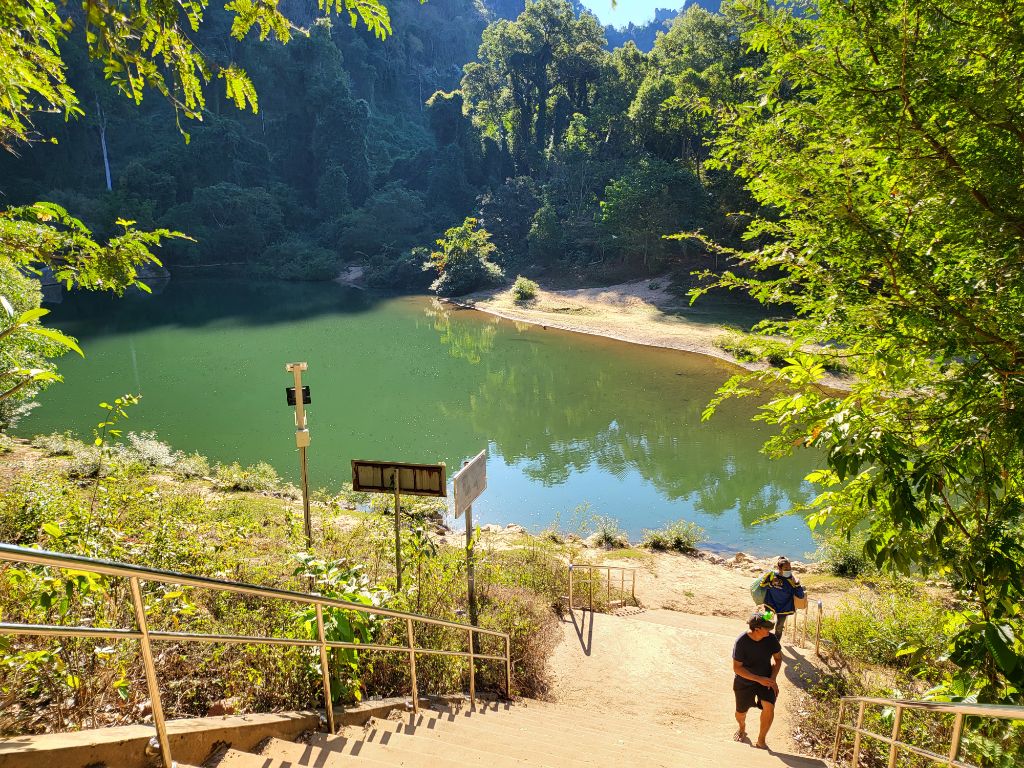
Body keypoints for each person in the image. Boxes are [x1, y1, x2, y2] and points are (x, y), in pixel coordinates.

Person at [732, 607, 783, 750]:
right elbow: (737, 668)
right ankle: (742, 727)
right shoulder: (741, 642)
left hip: (766, 679)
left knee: (769, 706)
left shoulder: (770, 639)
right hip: (744, 681)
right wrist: (758, 679)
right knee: (740, 713)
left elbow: (778, 659)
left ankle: (761, 740)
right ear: (757, 629)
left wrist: (772, 678)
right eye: (767, 628)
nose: (770, 631)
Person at [758, 556, 805, 640]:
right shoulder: (772, 575)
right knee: (765, 621)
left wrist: (797, 585)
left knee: (779, 627)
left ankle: (775, 644)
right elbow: (762, 586)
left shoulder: (792, 580)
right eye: (786, 568)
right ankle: (761, 639)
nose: (789, 570)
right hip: (770, 605)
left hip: (784, 608)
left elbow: (801, 596)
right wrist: (771, 583)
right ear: (779, 568)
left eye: (790, 567)